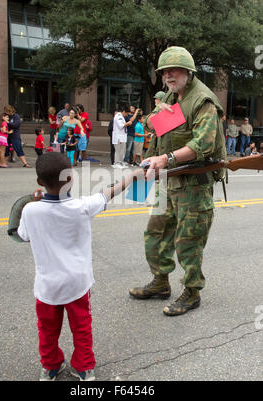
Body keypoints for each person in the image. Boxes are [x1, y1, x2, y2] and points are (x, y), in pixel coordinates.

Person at [16, 152, 143, 381]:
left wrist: (35, 201)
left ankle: (51, 366)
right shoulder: (82, 206)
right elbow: (109, 192)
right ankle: (84, 368)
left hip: (48, 287)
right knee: (81, 328)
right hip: (77, 283)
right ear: (71, 177)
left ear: (39, 182)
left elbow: (22, 236)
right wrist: (133, 176)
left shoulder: (30, 211)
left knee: (47, 331)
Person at [129, 46, 226, 316]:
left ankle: (192, 292)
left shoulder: (202, 101)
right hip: (167, 180)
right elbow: (156, 125)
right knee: (155, 233)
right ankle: (160, 283)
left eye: (174, 70)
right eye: (164, 71)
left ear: (188, 71)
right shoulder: (172, 96)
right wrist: (151, 119)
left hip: (193, 184)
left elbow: (203, 144)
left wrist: (166, 159)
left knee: (188, 241)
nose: (169, 75)